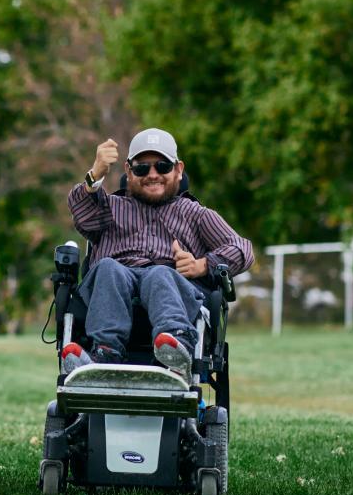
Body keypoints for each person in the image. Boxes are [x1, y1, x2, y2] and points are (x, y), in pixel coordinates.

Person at [66, 127, 254, 374]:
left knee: (159, 273)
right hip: (114, 285)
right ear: (128, 171)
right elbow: (82, 214)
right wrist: (95, 175)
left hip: (170, 286)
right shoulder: (109, 208)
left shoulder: (195, 214)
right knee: (108, 267)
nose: (153, 175)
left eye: (162, 166)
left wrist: (201, 265)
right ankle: (105, 352)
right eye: (142, 168)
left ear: (178, 170)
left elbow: (242, 249)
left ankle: (176, 347)